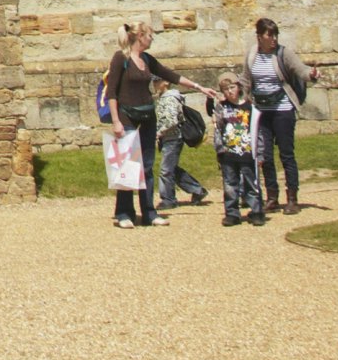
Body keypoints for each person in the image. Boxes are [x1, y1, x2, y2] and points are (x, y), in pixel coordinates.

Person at [102, 23, 213, 228]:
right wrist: (116, 120)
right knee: (127, 165)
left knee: (146, 166)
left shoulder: (147, 60)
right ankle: (124, 212)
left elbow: (171, 75)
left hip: (147, 116)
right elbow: (112, 93)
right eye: (150, 35)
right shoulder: (121, 58)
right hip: (127, 116)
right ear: (140, 36)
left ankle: (149, 212)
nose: (152, 39)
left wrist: (199, 87)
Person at [243, 16, 312, 213]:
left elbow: (300, 70)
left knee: (286, 154)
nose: (273, 39)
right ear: (259, 36)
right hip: (261, 111)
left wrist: (312, 74)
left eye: (275, 35)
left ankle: (292, 198)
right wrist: (238, 94)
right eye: (269, 35)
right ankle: (272, 196)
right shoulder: (252, 55)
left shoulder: (283, 53)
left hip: (283, 110)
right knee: (264, 155)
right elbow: (246, 79)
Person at [210, 75, 264, 226]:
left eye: (232, 87)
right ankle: (232, 213)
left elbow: (258, 131)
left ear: (239, 87)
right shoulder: (222, 107)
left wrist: (259, 153)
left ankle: (257, 211)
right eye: (225, 89)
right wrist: (219, 149)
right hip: (229, 152)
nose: (229, 92)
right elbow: (218, 128)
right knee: (230, 184)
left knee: (251, 183)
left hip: (248, 151)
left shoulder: (250, 107)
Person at [153, 73, 208, 210]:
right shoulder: (163, 98)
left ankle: (168, 199)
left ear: (165, 82)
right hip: (167, 138)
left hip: (173, 138)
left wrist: (159, 133)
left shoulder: (170, 98)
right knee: (172, 169)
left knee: (165, 170)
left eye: (156, 81)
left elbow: (172, 120)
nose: (154, 85)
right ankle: (197, 190)